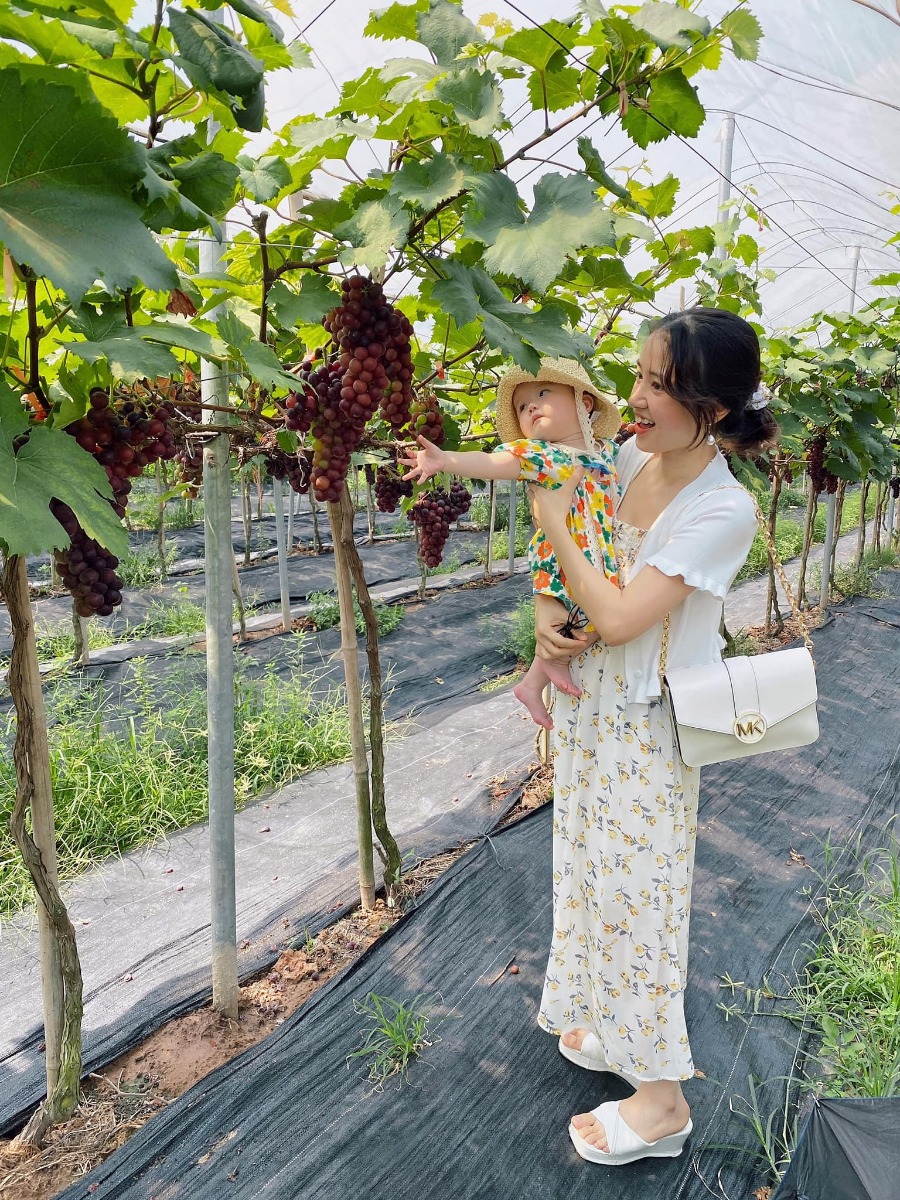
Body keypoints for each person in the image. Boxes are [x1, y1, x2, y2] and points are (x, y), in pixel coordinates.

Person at [527, 308, 777, 1167]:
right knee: (589, 869)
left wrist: (551, 509)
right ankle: (609, 1023)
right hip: (590, 708)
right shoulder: (629, 456)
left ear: (713, 404)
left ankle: (663, 1103)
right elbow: (571, 577)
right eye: (635, 374)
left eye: (660, 386)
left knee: (643, 898)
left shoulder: (723, 509)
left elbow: (627, 615)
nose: (633, 398)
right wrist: (546, 628)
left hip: (650, 725)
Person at [401, 357, 621, 729]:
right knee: (582, 623)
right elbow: (492, 461)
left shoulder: (609, 452)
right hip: (565, 561)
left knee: (587, 622)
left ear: (584, 402)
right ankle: (537, 679)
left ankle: (532, 684)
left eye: (543, 392)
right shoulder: (540, 455)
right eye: (522, 406)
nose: (531, 405)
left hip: (601, 555)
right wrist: (445, 460)